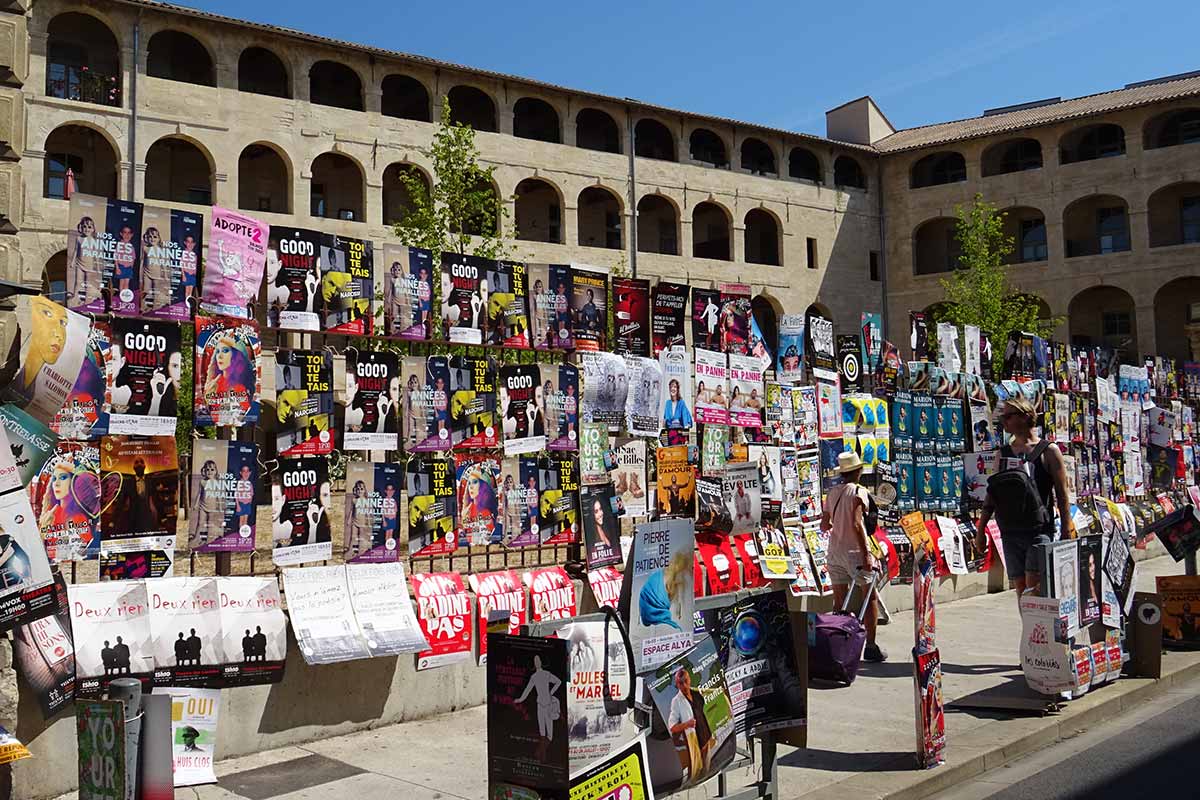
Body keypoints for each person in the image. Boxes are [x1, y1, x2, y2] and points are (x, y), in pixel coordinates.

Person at [974, 396, 1071, 612]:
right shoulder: (1004, 454)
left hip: (1037, 530)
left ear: (1026, 416)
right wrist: (981, 530)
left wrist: (1066, 526)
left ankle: (1044, 636)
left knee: (1034, 587)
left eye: (1009, 416)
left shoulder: (1048, 451)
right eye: (1003, 417)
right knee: (1020, 588)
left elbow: (1062, 493)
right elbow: (992, 494)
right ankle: (1031, 635)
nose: (1005, 422)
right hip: (1010, 531)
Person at [820, 450, 885, 662]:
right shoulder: (858, 492)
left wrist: (838, 525)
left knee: (839, 602)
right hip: (855, 552)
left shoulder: (832, 493)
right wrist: (866, 554)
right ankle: (871, 646)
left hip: (835, 552)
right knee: (870, 597)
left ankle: (837, 645)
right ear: (857, 471)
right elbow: (858, 523)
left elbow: (824, 524)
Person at [667, 666, 713, 782]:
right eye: (680, 683)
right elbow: (672, 727)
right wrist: (687, 724)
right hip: (694, 740)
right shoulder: (676, 701)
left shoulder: (696, 694)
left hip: (705, 735)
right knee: (697, 772)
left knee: (707, 770)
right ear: (677, 684)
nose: (684, 685)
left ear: (689, 680)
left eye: (685, 681)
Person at [514, 654, 563, 761]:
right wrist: (520, 699)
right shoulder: (534, 677)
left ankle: (539, 752)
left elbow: (559, 682)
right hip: (540, 705)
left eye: (538, 660)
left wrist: (551, 692)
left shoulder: (546, 674)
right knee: (543, 733)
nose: (537, 662)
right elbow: (527, 690)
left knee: (549, 734)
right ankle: (542, 757)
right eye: (535, 661)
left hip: (547, 705)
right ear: (535, 664)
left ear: (540, 662)